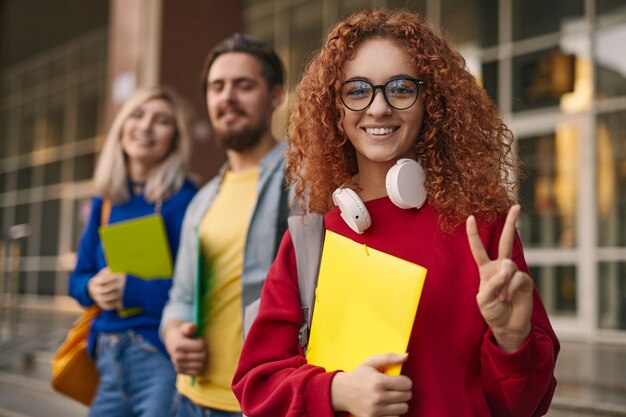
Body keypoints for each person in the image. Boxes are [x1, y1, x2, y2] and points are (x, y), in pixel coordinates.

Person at [232, 9, 559, 417]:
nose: (379, 108)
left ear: (431, 102)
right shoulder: (311, 239)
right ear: (335, 108)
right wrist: (336, 391)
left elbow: (525, 405)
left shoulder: (481, 229)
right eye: (357, 90)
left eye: (401, 88)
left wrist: (512, 340)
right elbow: (256, 383)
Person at [161, 33, 289, 417]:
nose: (227, 97)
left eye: (244, 85)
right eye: (217, 87)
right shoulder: (202, 201)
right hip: (188, 399)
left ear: (276, 96)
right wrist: (172, 334)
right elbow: (180, 296)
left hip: (261, 402)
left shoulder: (305, 180)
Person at [68, 86, 198, 417]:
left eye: (162, 121)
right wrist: (92, 287)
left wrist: (133, 289)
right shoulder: (106, 201)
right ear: (122, 126)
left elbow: (196, 291)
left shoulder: (184, 199)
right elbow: (77, 280)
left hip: (158, 354)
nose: (146, 127)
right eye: (138, 115)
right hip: (108, 357)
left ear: (175, 138)